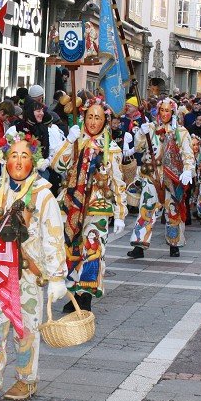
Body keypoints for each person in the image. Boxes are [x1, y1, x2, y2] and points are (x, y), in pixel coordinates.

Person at [0, 133, 68, 401]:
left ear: (33, 161)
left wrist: (57, 276)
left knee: (27, 331)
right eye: (13, 155)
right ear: (4, 160)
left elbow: (54, 237)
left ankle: (26, 378)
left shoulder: (44, 196)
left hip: (29, 276)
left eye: (24, 156)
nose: (18, 161)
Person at [53, 103, 126, 312]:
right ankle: (75, 294)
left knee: (93, 250)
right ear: (84, 118)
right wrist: (69, 141)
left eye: (98, 118)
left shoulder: (111, 149)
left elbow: (118, 182)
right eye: (90, 117)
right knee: (72, 248)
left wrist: (120, 214)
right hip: (72, 204)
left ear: (105, 122)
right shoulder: (78, 142)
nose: (93, 122)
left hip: (97, 206)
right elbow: (58, 165)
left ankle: (86, 296)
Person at [127, 99, 195, 258]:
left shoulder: (181, 132)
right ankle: (139, 244)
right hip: (152, 174)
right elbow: (138, 147)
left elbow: (188, 154)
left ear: (173, 113)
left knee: (173, 210)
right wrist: (140, 134)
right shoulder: (150, 128)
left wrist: (188, 170)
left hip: (172, 176)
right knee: (147, 207)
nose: (164, 114)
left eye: (167, 110)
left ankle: (174, 243)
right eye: (161, 110)